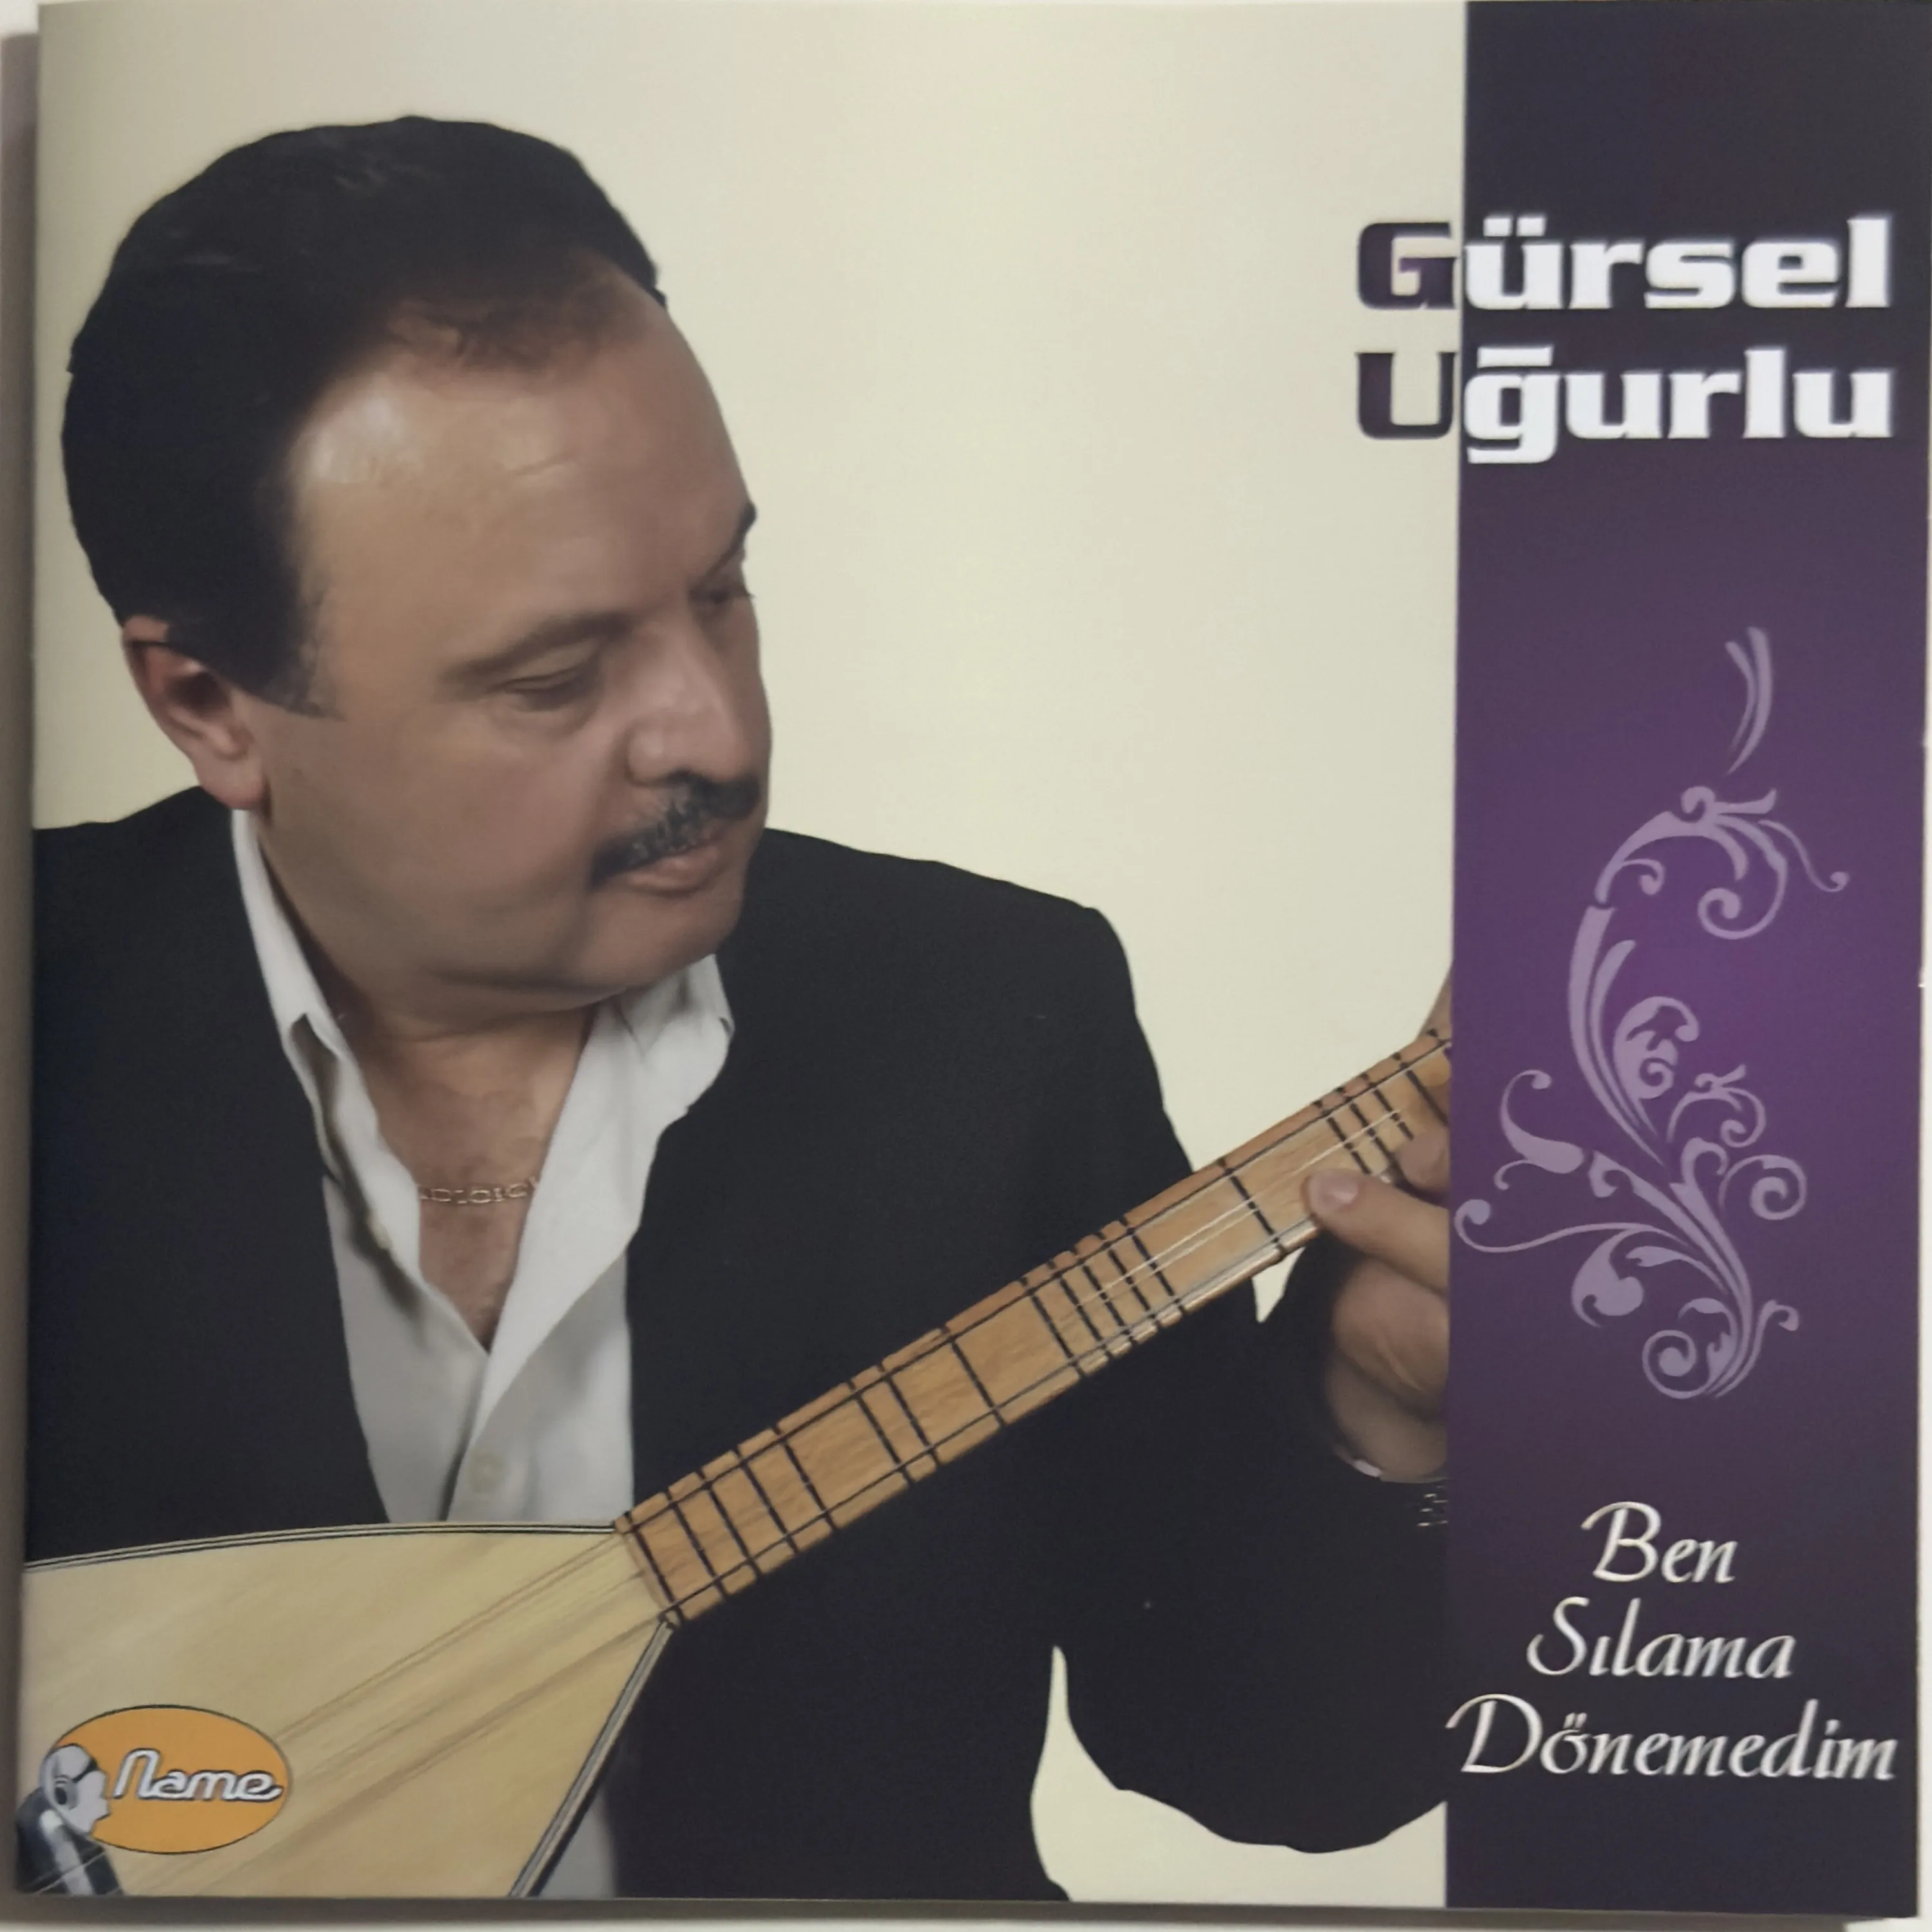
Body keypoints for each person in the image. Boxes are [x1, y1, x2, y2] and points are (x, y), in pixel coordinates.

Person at [29, 117, 1452, 1899]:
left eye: (722, 592)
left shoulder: (994, 1019)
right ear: (208, 703)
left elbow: (1269, 1759)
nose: (714, 727)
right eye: (558, 676)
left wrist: (1380, 1412)